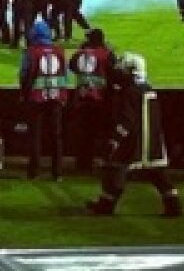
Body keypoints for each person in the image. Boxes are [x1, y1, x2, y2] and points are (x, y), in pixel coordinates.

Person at [85, 52, 184, 217]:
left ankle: (106, 205)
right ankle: (174, 205)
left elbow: (127, 120)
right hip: (152, 142)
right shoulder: (148, 89)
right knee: (158, 175)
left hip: (135, 141)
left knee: (116, 172)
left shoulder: (130, 92)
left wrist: (115, 139)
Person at [18, 19, 70, 180]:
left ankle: (34, 172)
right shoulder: (60, 51)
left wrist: (23, 93)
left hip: (36, 99)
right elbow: (65, 75)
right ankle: (57, 173)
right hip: (56, 98)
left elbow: (24, 74)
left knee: (35, 135)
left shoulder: (30, 52)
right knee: (56, 135)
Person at [67, 28, 115, 175]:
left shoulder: (80, 54)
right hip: (100, 99)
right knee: (101, 133)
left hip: (81, 99)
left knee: (83, 133)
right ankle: (103, 161)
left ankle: (83, 163)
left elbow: (72, 66)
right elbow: (113, 72)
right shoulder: (106, 54)